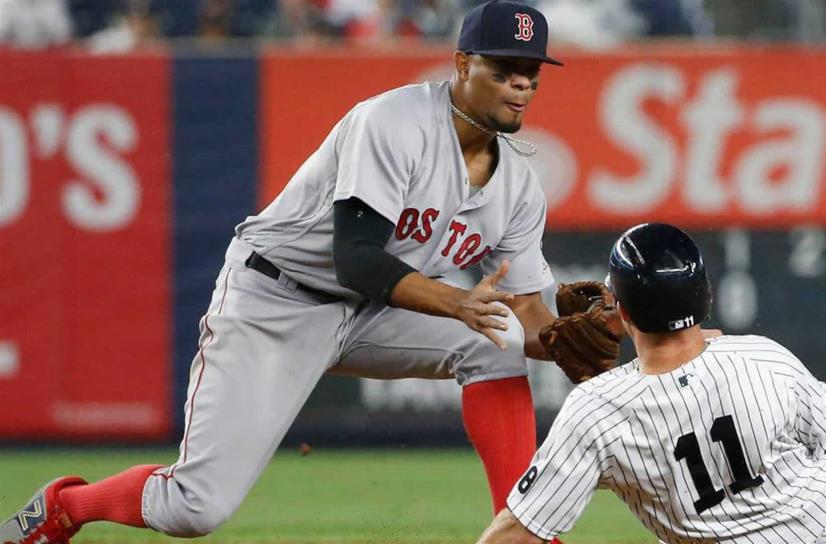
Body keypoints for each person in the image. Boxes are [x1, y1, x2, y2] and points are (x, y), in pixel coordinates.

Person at [0, 1, 568, 542]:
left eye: (531, 72)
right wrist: (455, 302)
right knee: (193, 508)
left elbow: (530, 316)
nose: (521, 83)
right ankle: (64, 507)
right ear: (464, 64)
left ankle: (520, 532)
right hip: (276, 298)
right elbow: (357, 258)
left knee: (500, 340)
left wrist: (589, 338)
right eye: (505, 68)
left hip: (370, 313)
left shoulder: (518, 186)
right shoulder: (395, 122)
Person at [478, 222, 826, 544]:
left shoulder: (595, 409)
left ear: (622, 314)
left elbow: (522, 529)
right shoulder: (762, 354)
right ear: (706, 297)